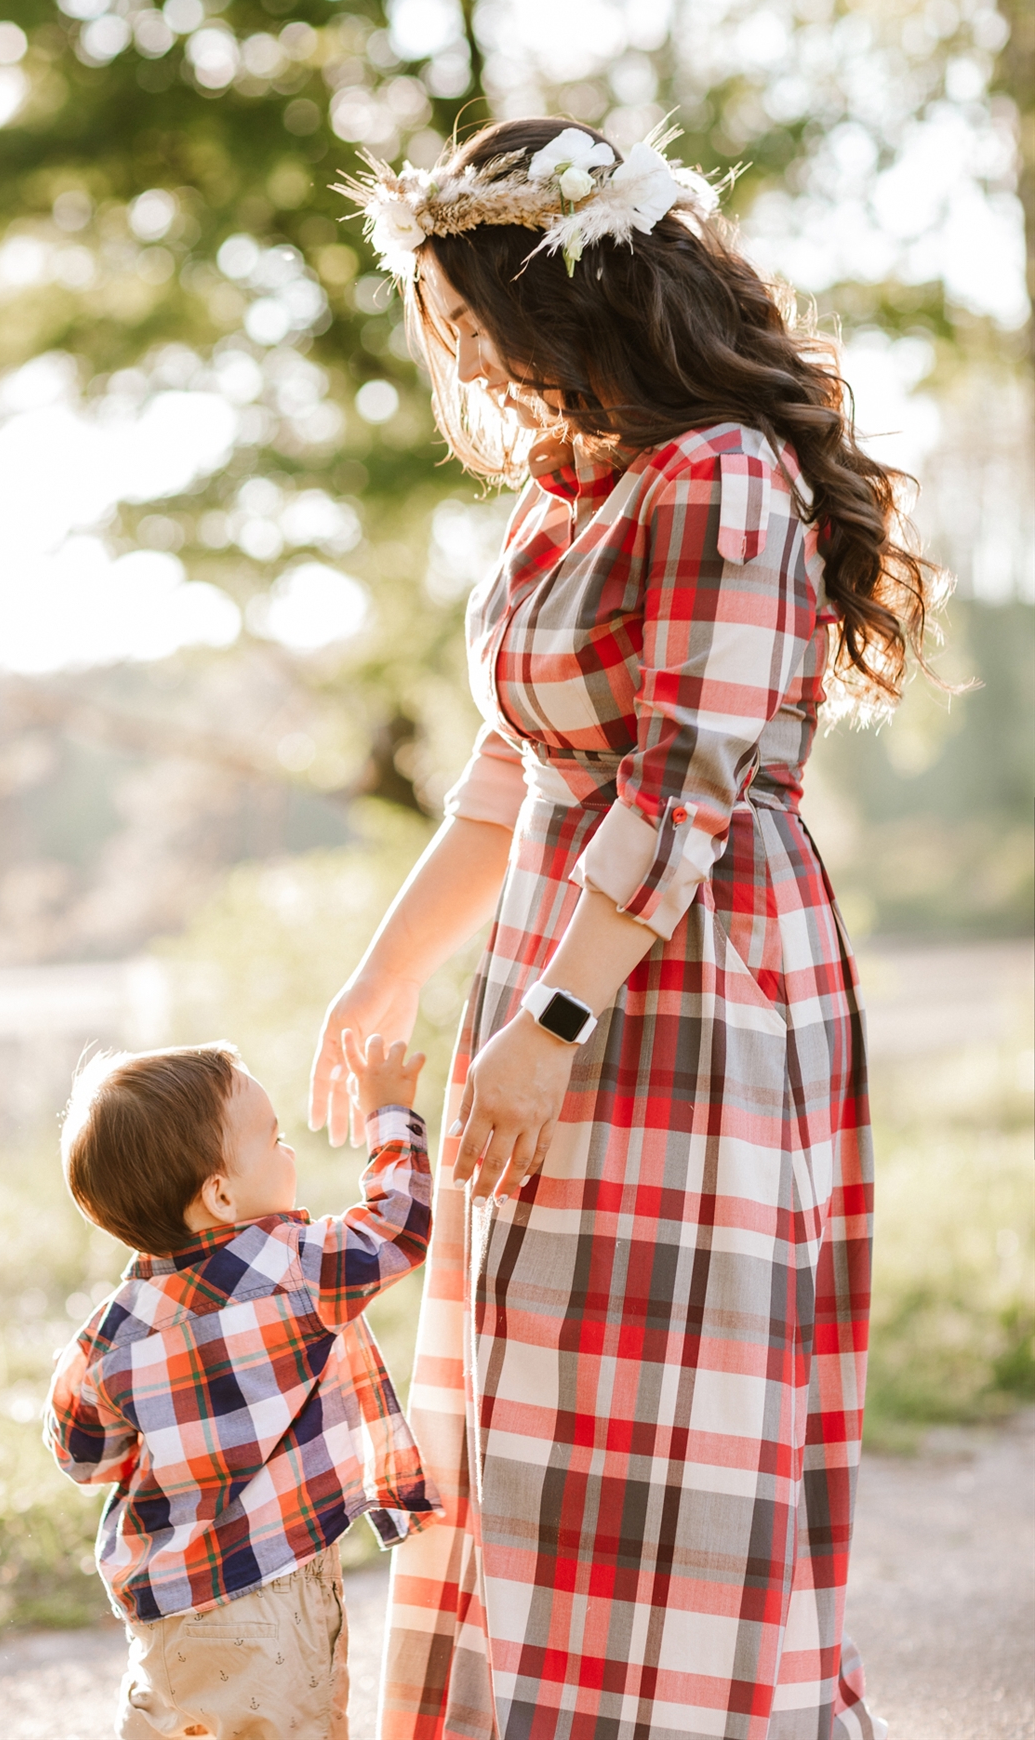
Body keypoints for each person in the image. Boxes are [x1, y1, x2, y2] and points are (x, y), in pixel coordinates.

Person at [310, 117, 937, 1739]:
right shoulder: (555, 499)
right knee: (529, 1396)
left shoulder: (720, 479)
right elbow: (499, 781)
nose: (471, 363)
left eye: (474, 325)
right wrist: (382, 980)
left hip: (690, 988)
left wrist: (552, 1029)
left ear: (560, 300)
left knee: (666, 1402)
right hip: (553, 972)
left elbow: (679, 792)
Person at [43, 1032, 439, 1740]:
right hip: (275, 1597)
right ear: (221, 1193)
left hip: (164, 1613)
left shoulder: (109, 1334)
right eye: (277, 1139)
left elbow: (79, 1453)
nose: (290, 1153)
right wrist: (390, 1116)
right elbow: (399, 1227)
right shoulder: (299, 1269)